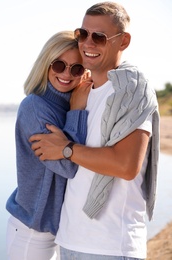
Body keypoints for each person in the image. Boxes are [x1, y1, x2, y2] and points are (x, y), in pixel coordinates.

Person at [29, 2, 160, 259]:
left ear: (123, 41)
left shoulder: (132, 90)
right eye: (83, 34)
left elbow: (126, 165)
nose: (88, 43)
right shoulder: (82, 94)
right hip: (70, 240)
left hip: (110, 246)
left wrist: (66, 149)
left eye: (99, 37)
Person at [5, 30, 92, 260]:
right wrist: (76, 111)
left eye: (76, 68)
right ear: (46, 64)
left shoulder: (73, 104)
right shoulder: (35, 107)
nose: (67, 74)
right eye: (59, 65)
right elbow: (68, 166)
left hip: (56, 231)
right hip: (31, 232)